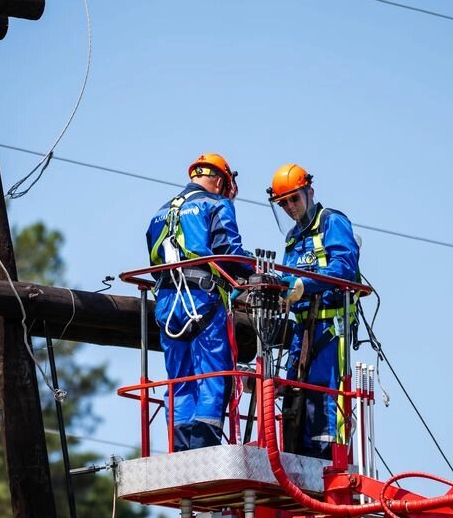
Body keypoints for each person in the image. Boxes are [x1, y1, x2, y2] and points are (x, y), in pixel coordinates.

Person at [146, 153, 246, 451]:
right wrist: (256, 273)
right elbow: (229, 251)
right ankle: (204, 447)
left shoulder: (159, 214)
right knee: (214, 374)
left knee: (179, 378)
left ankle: (180, 449)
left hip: (167, 305)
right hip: (202, 299)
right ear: (218, 180)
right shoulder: (215, 204)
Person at [267, 163, 360, 460]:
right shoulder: (293, 237)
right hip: (300, 332)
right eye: (283, 203)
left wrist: (305, 285)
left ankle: (327, 463)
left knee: (324, 402)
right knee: (295, 399)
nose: (290, 207)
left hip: (329, 331)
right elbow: (288, 279)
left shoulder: (331, 222)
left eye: (294, 199)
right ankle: (298, 460)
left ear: (310, 191)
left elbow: (343, 268)